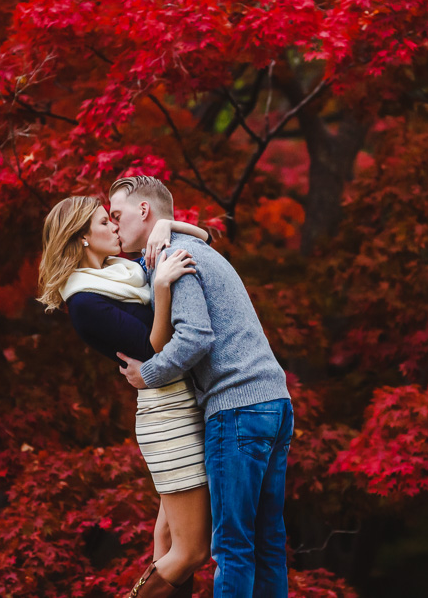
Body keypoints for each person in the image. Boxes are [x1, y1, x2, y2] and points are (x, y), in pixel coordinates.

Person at [110, 176, 293, 598]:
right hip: (274, 403)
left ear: (143, 211)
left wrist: (149, 374)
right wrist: (171, 226)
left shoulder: (174, 257)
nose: (114, 226)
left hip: (237, 409)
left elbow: (195, 337)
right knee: (266, 544)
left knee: (231, 546)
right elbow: (200, 233)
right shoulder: (185, 248)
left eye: (117, 215)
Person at [37, 196, 212, 598]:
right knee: (193, 551)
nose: (116, 227)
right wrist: (164, 286)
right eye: (105, 222)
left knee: (168, 546)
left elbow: (203, 236)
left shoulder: (124, 271)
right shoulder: (84, 302)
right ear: (82, 237)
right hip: (168, 415)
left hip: (183, 400)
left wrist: (166, 226)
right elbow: (155, 350)